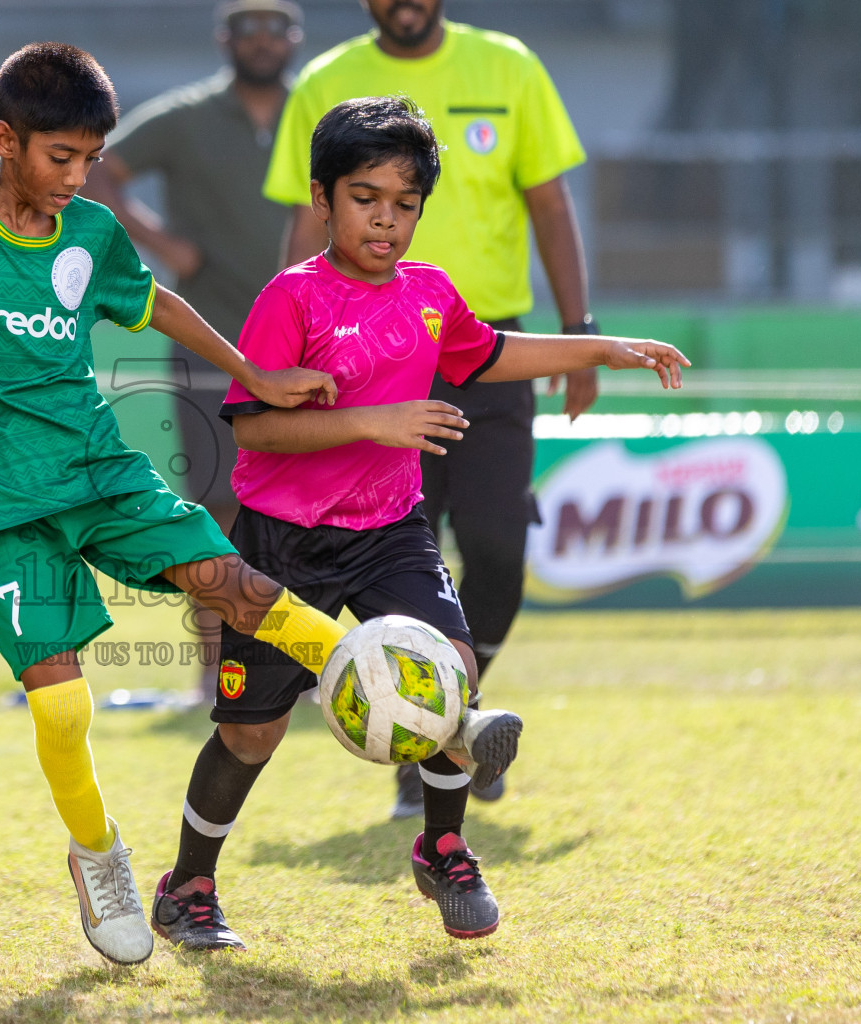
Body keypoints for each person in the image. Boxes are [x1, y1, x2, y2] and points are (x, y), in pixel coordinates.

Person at [0, 42, 357, 966]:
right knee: (61, 712)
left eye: (91, 159)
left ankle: (380, 678)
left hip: (101, 473)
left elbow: (159, 304)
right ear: (5, 140)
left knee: (236, 584)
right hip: (0, 508)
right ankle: (99, 857)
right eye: (61, 158)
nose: (77, 176)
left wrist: (253, 371)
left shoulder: (91, 232)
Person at [149, 96, 687, 950]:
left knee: (451, 671)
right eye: (366, 198)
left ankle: (443, 846)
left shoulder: (430, 294)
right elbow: (254, 426)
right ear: (323, 199)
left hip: (390, 533)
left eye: (405, 204)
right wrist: (379, 420)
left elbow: (494, 352)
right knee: (250, 733)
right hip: (281, 543)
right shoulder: (290, 299)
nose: (386, 220)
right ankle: (188, 888)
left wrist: (601, 346)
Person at [264, 0, 598, 815]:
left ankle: (443, 710)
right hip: (360, 358)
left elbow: (551, 203)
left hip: (487, 348)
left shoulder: (509, 65)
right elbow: (298, 228)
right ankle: (437, 732)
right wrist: (291, 356)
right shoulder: (324, 80)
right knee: (405, 552)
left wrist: (581, 331)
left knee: (495, 546)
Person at [83, 0, 304, 696]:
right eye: (249, 30)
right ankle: (219, 676)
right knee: (216, 508)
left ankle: (309, 664)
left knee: (314, 508)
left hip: (308, 344)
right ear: (225, 39)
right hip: (208, 340)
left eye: (276, 30)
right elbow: (96, 170)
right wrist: (160, 243)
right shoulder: (184, 117)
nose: (263, 42)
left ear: (294, 40)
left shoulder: (318, 114)